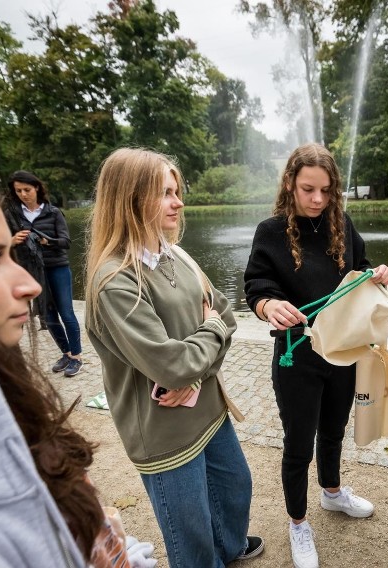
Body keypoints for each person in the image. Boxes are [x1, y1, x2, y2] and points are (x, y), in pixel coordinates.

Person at [0, 153, 155, 567]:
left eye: (6, 253)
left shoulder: (5, 398)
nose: (24, 285)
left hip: (55, 263)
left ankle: (73, 353)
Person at [85, 148, 263, 568]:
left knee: (237, 487)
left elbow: (226, 314)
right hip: (164, 431)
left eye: (176, 191)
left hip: (207, 409)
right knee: (192, 535)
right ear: (131, 199)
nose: (179, 202)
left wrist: (196, 373)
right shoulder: (114, 281)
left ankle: (230, 549)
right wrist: (205, 341)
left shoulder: (175, 253)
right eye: (165, 193)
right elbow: (173, 363)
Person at [243, 143, 388, 568]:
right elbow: (256, 286)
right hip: (297, 355)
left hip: (343, 351)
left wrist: (378, 274)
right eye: (308, 189)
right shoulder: (270, 232)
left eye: (326, 191)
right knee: (298, 443)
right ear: (290, 182)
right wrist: (268, 306)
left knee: (333, 430)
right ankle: (297, 522)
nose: (317, 200)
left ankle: (331, 493)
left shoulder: (340, 223)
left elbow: (360, 269)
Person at [4, 170, 84, 377]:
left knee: (66, 313)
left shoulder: (53, 212)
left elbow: (66, 242)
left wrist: (47, 240)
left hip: (57, 267)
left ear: (37, 188)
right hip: (31, 270)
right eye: (18, 190)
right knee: (48, 316)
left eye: (27, 189)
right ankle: (65, 353)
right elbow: (0, 242)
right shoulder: (12, 215)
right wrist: (12, 241)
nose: (23, 194)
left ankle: (76, 357)